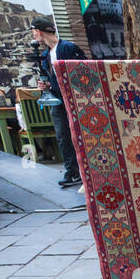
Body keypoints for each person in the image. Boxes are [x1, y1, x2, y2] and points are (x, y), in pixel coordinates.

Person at [30, 16, 84, 188]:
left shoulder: (68, 47)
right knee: (62, 136)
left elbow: (82, 70)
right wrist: (45, 84)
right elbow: (51, 79)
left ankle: (86, 169)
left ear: (38, 31)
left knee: (80, 134)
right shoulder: (45, 55)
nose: (33, 35)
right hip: (57, 100)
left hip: (73, 98)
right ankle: (72, 171)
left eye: (33, 32)